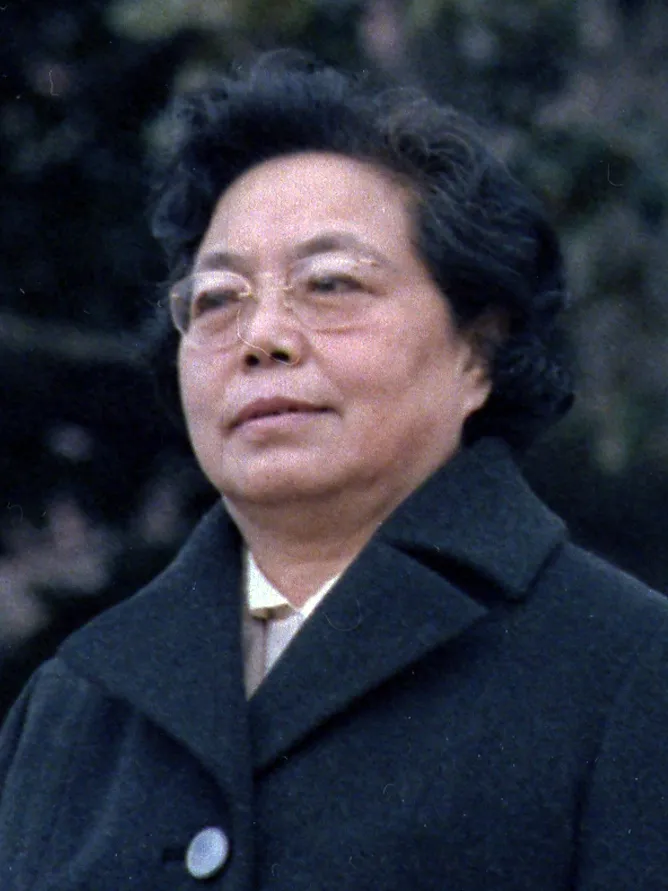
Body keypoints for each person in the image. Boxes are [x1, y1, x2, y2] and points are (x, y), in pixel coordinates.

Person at [1, 51, 668, 891]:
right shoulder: (72, 707)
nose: (262, 337)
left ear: (477, 353)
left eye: (330, 284)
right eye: (217, 298)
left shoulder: (629, 669)